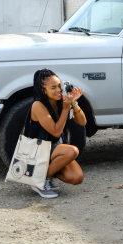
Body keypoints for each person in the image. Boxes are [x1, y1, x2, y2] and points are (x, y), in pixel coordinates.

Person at [28, 69, 87, 198]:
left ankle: (45, 175)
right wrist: (66, 109)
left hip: (54, 150)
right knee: (72, 151)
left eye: (60, 85)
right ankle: (38, 181)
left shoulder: (62, 102)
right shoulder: (38, 105)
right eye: (53, 87)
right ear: (43, 90)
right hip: (39, 151)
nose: (59, 90)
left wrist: (74, 103)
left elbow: (82, 122)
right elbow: (55, 132)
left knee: (77, 177)